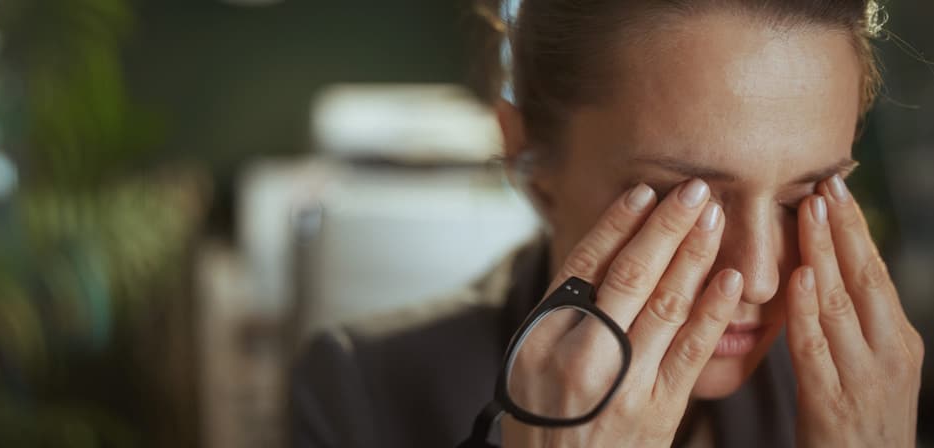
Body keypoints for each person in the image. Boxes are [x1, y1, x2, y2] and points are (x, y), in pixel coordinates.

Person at [290, 1, 925, 447]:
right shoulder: (363, 397)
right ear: (531, 158)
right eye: (688, 199)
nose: (758, 279)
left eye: (804, 198)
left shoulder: (863, 403)